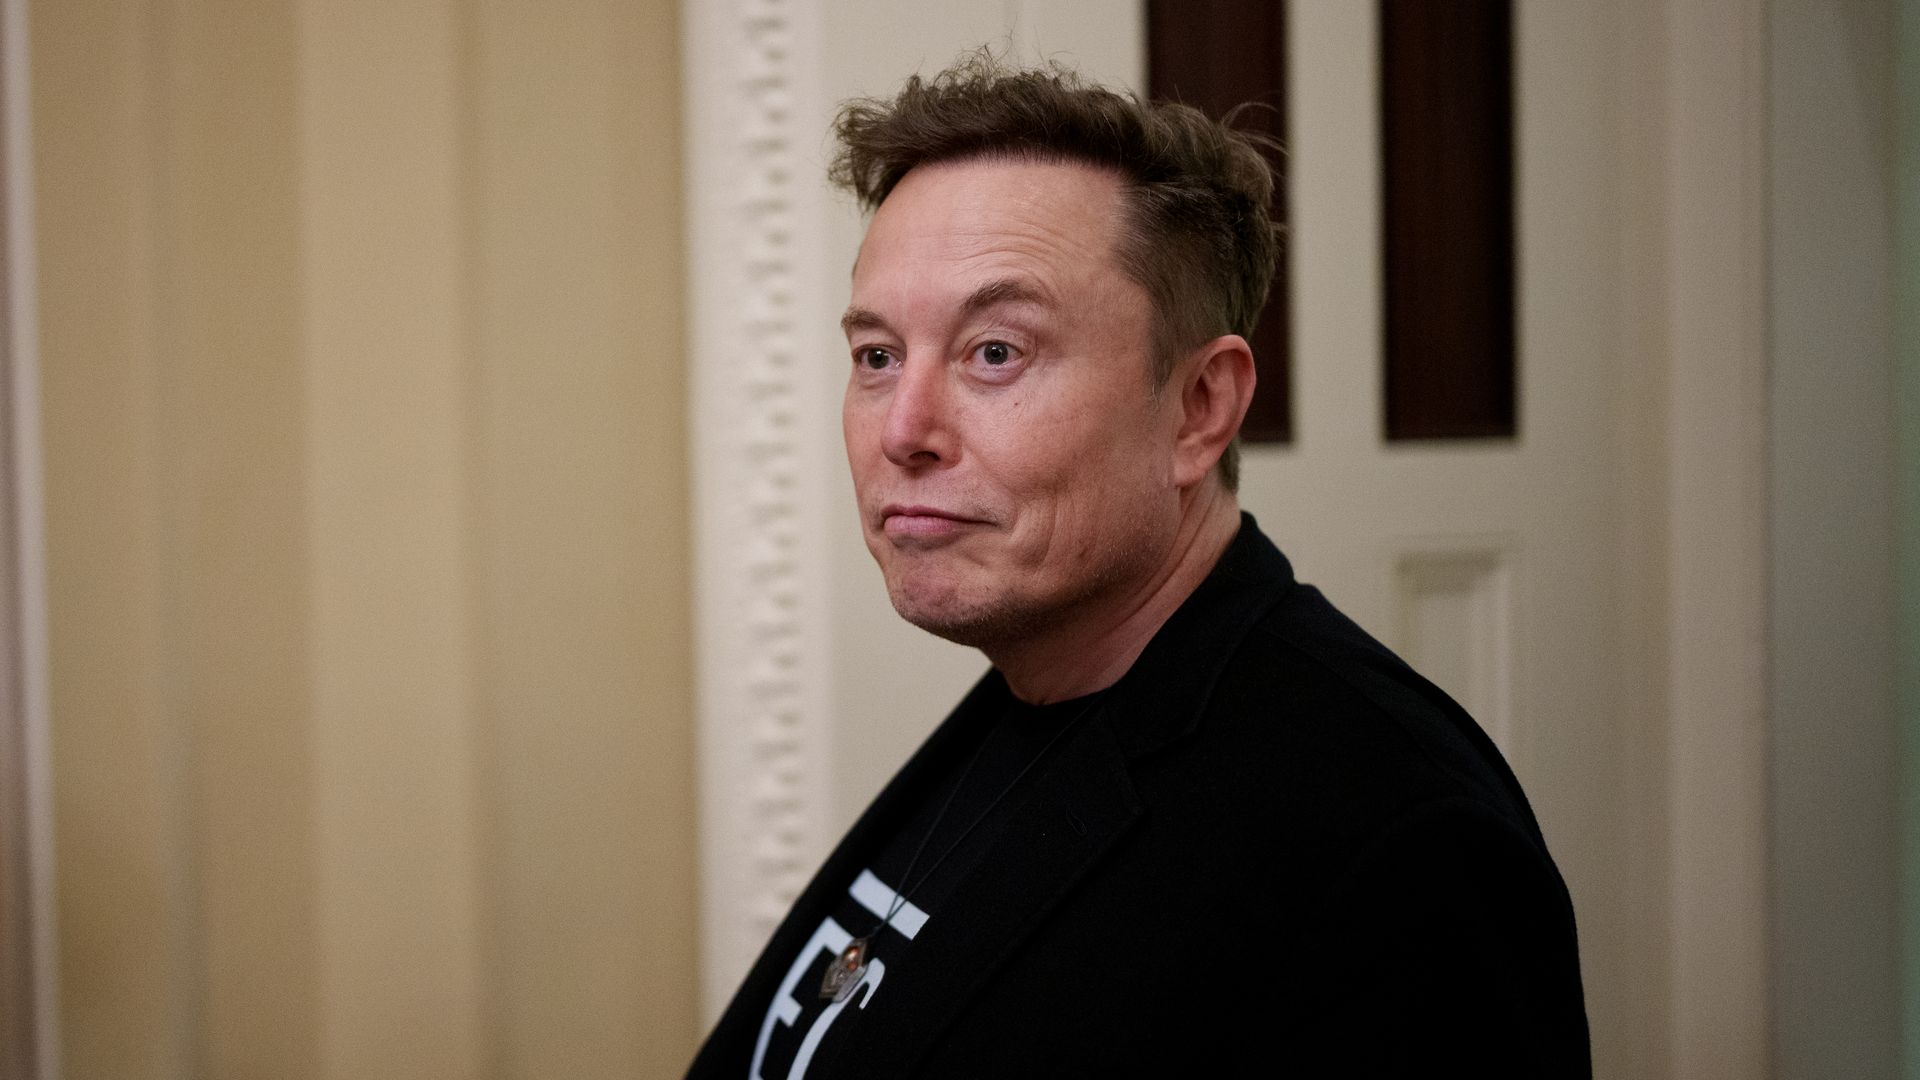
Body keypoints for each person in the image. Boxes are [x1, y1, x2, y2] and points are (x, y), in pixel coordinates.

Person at [686, 54, 1589, 1079]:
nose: (904, 430)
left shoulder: (1394, 841)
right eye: (878, 356)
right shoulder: (1038, 687)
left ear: (1200, 408)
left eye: (995, 352)